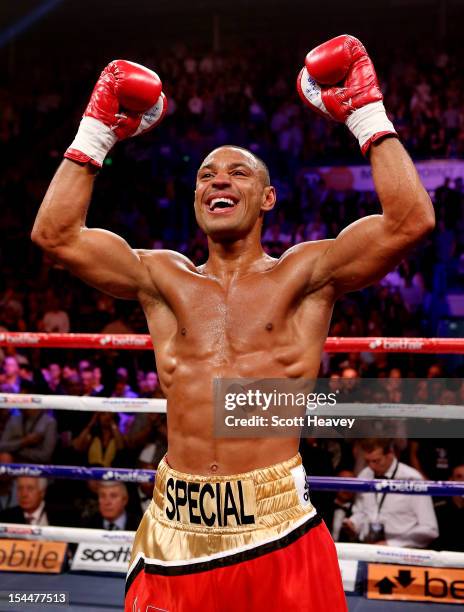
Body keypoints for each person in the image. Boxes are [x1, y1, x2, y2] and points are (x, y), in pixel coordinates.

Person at [32, 37, 435, 612]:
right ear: (194, 198)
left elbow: (410, 220)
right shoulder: (161, 279)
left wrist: (367, 113)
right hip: (178, 525)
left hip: (276, 523)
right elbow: (55, 236)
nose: (218, 180)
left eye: (237, 173)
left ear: (268, 197)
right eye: (206, 175)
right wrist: (97, 130)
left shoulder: (306, 274)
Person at [343, 439, 438, 548]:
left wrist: (393, 544)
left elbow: (430, 528)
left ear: (390, 454)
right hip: (368, 550)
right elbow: (363, 511)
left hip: (401, 554)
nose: (371, 466)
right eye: (367, 461)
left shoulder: (412, 479)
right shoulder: (365, 474)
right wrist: (353, 523)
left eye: (376, 461)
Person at [0, 477, 75, 526]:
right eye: (20, 488)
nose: (24, 494)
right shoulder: (5, 517)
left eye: (30, 488)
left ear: (42, 492)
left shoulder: (63, 516)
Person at [434, 462, 464, 552]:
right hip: (441, 559)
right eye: (459, 477)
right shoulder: (438, 509)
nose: (463, 481)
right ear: (451, 480)